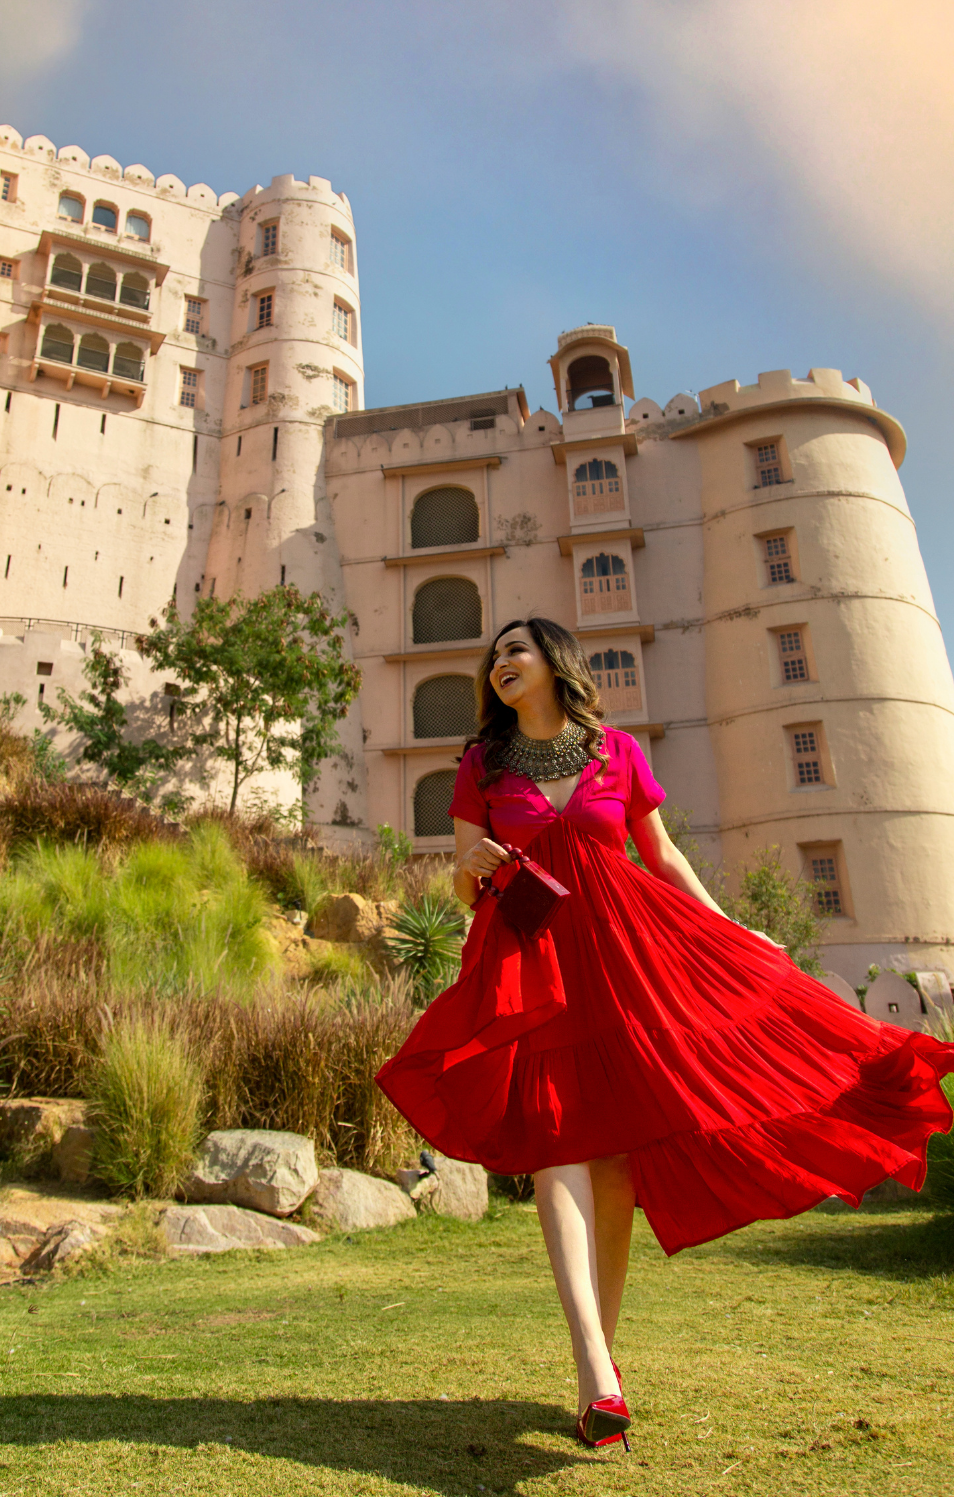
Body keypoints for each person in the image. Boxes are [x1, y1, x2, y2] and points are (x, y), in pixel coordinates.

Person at [376, 617, 954, 1451]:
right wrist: (470, 868)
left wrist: (731, 929)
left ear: (553, 663)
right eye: (494, 657)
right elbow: (468, 882)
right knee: (558, 1146)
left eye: (516, 650)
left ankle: (597, 1364)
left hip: (629, 960)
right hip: (534, 964)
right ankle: (594, 1370)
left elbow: (663, 856)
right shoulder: (482, 765)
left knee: (614, 1167)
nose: (500, 664)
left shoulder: (616, 752)